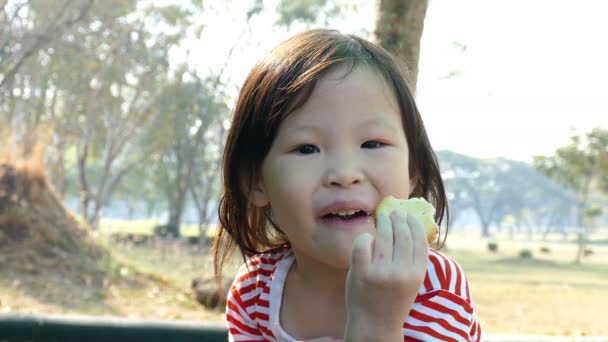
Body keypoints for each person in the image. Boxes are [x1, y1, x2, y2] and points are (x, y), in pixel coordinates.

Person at [213, 29, 481, 342]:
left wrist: (377, 326)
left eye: (372, 143)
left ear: (412, 170)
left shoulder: (432, 286)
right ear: (255, 181)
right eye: (307, 148)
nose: (344, 173)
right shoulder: (254, 293)